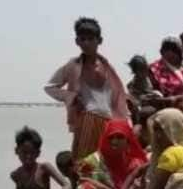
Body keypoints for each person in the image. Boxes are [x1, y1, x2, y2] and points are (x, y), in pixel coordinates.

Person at [44, 17, 130, 160]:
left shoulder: (108, 67)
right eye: (82, 39)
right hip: (86, 121)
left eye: (90, 39)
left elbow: (119, 98)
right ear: (77, 41)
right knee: (85, 166)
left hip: (110, 123)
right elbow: (50, 87)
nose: (86, 43)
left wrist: (126, 121)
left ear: (99, 40)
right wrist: (70, 96)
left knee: (110, 166)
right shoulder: (73, 66)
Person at [74, 119, 149, 189]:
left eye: (120, 137)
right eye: (111, 137)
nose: (114, 141)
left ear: (128, 141)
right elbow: (84, 182)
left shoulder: (136, 163)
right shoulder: (93, 161)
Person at [149, 36, 183, 108]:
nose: (170, 53)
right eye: (167, 49)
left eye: (173, 50)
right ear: (162, 52)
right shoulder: (154, 69)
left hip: (182, 107)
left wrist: (174, 99)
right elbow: (152, 91)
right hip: (160, 107)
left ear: (179, 52)